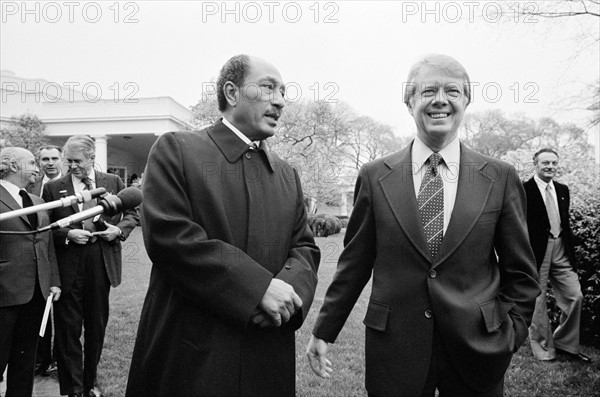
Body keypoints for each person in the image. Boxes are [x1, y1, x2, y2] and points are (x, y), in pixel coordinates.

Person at [306, 54, 540, 397]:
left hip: (478, 348)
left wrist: (511, 333)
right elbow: (354, 264)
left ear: (466, 101)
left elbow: (522, 274)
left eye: (453, 91)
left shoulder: (500, 177)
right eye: (428, 90)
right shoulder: (374, 177)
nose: (440, 100)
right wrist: (324, 330)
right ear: (409, 101)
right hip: (395, 349)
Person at [126, 54, 320, 397]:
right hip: (192, 354)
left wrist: (287, 295)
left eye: (284, 92)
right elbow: (170, 237)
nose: (280, 100)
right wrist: (257, 289)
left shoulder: (288, 174)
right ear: (231, 93)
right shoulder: (177, 150)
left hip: (267, 351)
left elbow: (304, 248)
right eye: (267, 87)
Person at [42, 135, 139, 397]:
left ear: (92, 158)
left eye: (77, 161)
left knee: (96, 325)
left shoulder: (113, 182)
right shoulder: (53, 188)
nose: (72, 166)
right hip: (68, 263)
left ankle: (90, 383)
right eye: (68, 161)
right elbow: (46, 229)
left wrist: (117, 231)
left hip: (101, 260)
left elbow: (132, 212)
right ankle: (73, 388)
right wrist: (67, 235)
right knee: (68, 327)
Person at [0, 147, 61, 396]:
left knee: (25, 362)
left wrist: (53, 281)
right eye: (32, 162)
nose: (38, 167)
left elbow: (45, 244)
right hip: (4, 293)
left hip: (36, 293)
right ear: (13, 166)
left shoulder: (38, 202)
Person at [525, 148, 591, 363]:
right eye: (545, 163)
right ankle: (543, 348)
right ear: (535, 164)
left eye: (553, 163)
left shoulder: (562, 189)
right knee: (538, 299)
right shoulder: (524, 190)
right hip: (536, 252)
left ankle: (565, 343)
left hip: (561, 248)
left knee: (575, 296)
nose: (550, 167)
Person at [27, 144, 63, 377]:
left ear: (61, 160)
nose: (49, 162)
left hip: (64, 254)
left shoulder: (68, 186)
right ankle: (42, 359)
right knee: (39, 308)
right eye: (45, 159)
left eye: (54, 158)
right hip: (38, 257)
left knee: (63, 312)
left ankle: (61, 358)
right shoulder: (31, 187)